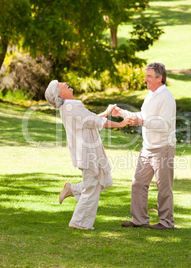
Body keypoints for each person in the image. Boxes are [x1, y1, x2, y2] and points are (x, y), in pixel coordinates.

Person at [45, 80, 129, 230]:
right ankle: (79, 222)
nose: (64, 83)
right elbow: (93, 121)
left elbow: (89, 120)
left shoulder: (68, 107)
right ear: (59, 94)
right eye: (60, 84)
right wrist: (121, 124)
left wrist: (106, 112)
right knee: (92, 186)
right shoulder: (72, 105)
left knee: (105, 181)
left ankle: (73, 189)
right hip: (87, 152)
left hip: (87, 151)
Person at [112, 62, 176, 230]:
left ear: (159, 78)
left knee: (163, 187)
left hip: (163, 148)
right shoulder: (151, 94)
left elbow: (165, 125)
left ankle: (166, 222)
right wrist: (123, 114)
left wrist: (141, 122)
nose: (145, 79)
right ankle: (139, 219)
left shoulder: (166, 97)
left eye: (148, 76)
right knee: (138, 183)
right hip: (147, 147)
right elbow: (144, 115)